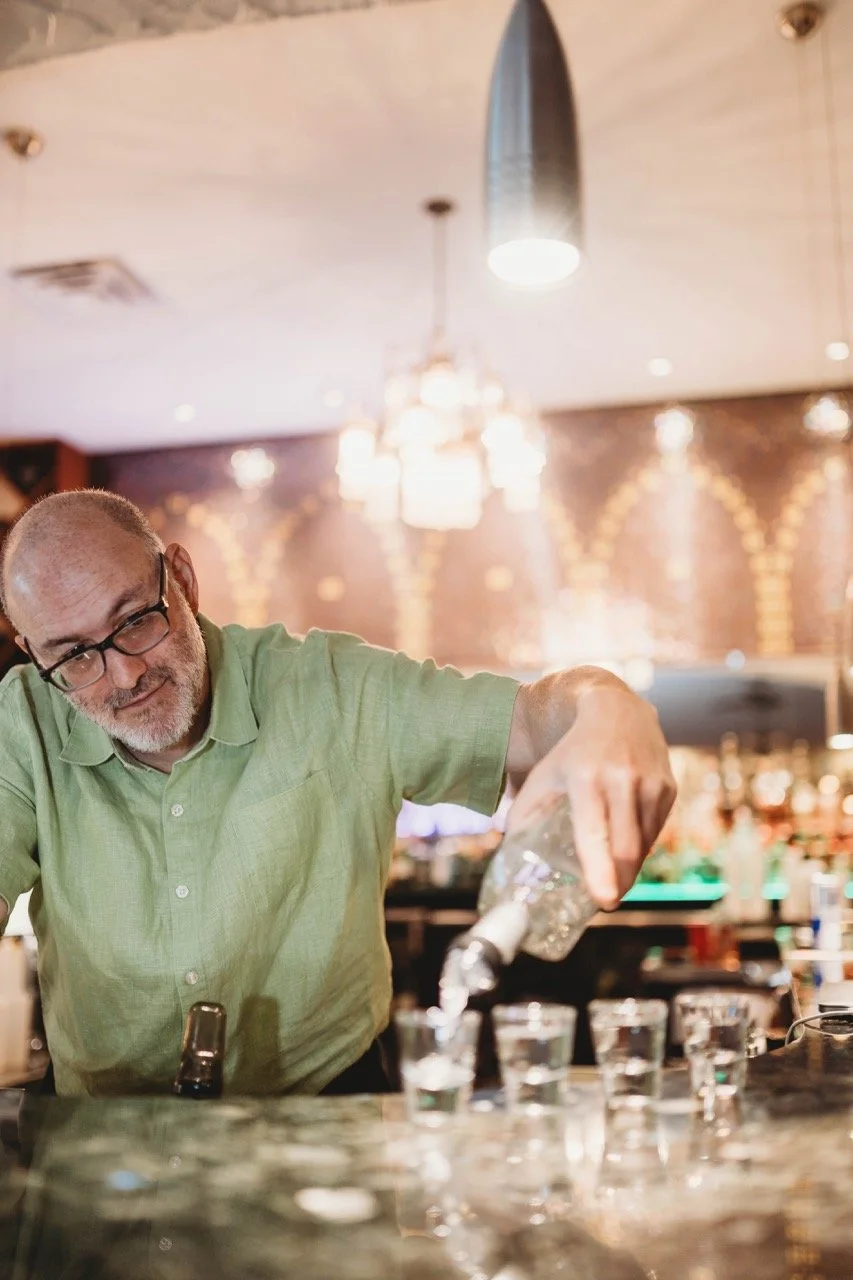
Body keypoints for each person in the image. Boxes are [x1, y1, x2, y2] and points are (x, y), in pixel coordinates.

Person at [0, 490, 675, 1097]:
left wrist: (606, 705)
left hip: (327, 1108)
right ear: (33, 652)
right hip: (104, 1134)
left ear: (182, 579)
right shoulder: (23, 722)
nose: (123, 676)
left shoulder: (332, 687)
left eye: (134, 622)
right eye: (75, 657)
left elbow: (529, 719)